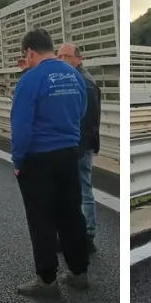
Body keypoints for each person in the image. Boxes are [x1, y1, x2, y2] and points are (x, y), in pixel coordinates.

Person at [10, 28, 91, 297]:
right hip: (69, 153)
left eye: (26, 55)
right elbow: (81, 112)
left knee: (41, 219)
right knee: (71, 214)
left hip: (38, 159)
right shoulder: (74, 76)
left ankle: (47, 279)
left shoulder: (30, 80)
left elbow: (21, 127)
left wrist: (18, 161)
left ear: (30, 52)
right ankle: (79, 272)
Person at [56, 43, 102, 254]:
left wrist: (75, 145)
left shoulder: (85, 84)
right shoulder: (70, 81)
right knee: (68, 192)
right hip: (70, 144)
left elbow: (88, 121)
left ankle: (87, 236)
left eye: (67, 56)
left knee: (83, 190)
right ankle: (73, 236)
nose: (62, 60)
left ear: (79, 59)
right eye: (59, 56)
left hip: (79, 146)